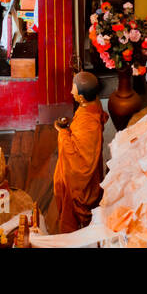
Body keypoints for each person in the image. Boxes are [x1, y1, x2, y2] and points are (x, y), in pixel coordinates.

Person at [52, 72, 107, 233]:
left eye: (74, 90)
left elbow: (80, 162)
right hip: (90, 171)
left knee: (73, 219)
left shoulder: (87, 121)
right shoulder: (92, 106)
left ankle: (80, 234)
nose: (71, 92)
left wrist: (62, 132)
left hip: (81, 183)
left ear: (82, 97)